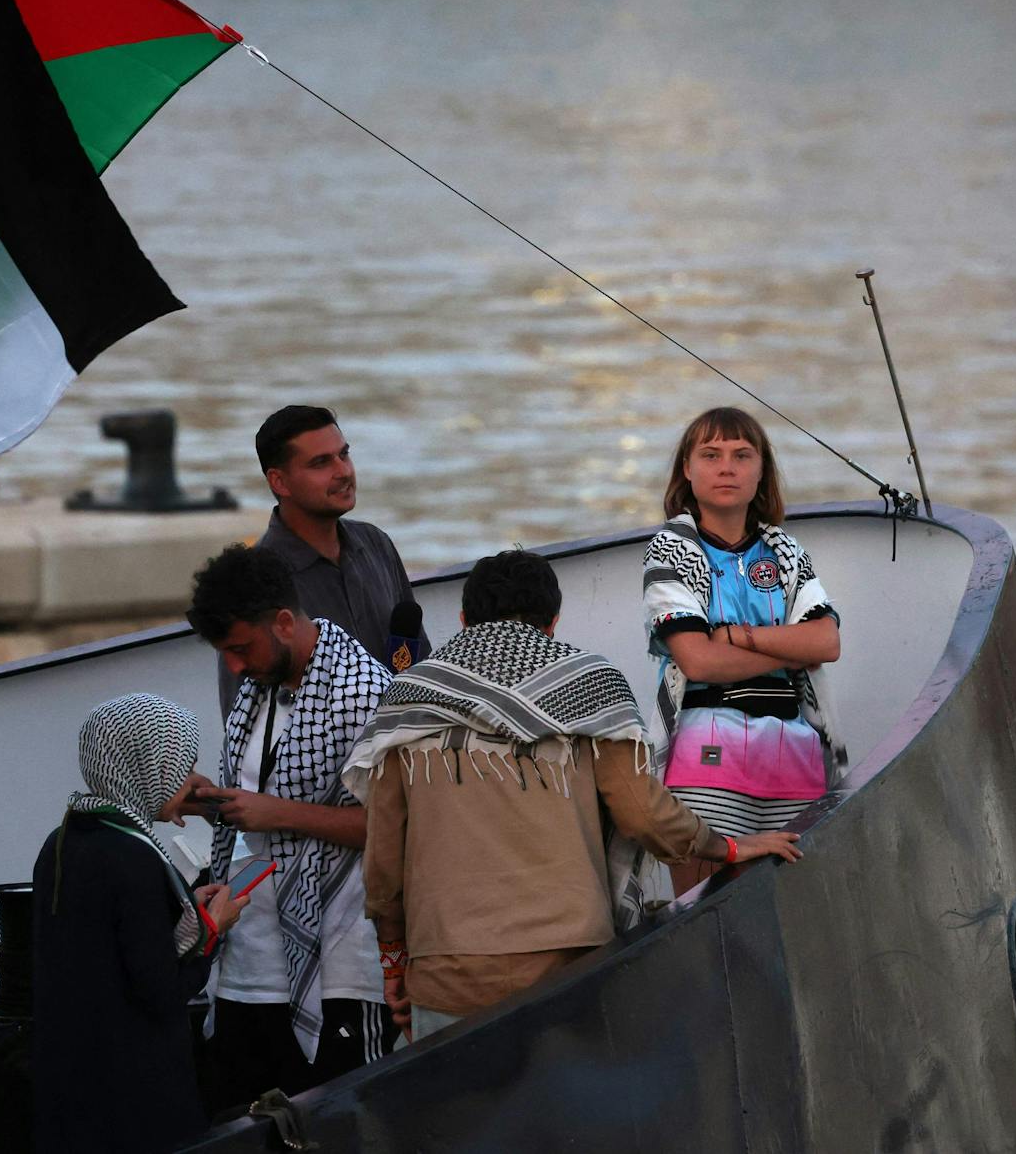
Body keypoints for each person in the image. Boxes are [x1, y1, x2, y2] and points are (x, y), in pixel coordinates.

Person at [350, 550, 805, 1040]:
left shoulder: (408, 698)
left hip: (447, 971)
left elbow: (384, 862)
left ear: (463, 620)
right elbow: (642, 814)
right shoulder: (588, 684)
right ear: (553, 622)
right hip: (569, 968)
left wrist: (395, 966)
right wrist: (728, 846)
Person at [187, 545, 397, 1110]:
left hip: (336, 972)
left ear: (283, 622)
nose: (233, 666)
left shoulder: (363, 693)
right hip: (246, 970)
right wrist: (211, 803)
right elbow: (264, 806)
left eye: (239, 648)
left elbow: (393, 828)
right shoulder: (259, 692)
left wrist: (274, 812)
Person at [33, 694, 248, 1153]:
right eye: (181, 767)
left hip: (74, 1085)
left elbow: (102, 949)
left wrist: (181, 909)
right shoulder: (132, 857)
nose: (190, 783)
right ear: (146, 767)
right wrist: (211, 930)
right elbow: (160, 993)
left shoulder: (63, 839)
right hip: (136, 1096)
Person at [643, 406, 844, 897]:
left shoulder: (786, 552)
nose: (726, 467)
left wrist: (733, 636)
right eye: (710, 455)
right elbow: (698, 661)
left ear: (762, 471)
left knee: (795, 920)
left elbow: (827, 642)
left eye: (741, 455)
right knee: (706, 923)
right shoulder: (669, 549)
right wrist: (790, 648)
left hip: (795, 765)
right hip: (703, 769)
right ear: (687, 471)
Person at [219, 405, 427, 710]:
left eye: (344, 454)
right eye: (321, 463)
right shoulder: (250, 586)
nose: (343, 471)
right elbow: (244, 721)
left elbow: (420, 665)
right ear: (279, 482)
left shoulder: (376, 544)